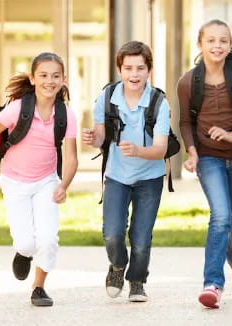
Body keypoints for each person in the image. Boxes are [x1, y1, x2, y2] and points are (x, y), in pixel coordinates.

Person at [0, 52, 78, 307]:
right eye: (43, 75)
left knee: (48, 239)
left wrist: (63, 185)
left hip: (47, 181)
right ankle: (24, 252)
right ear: (32, 78)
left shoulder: (66, 114)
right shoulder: (18, 108)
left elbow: (71, 158)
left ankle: (39, 287)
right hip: (15, 182)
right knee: (26, 241)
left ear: (63, 80)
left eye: (55, 76)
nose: (49, 81)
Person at [177, 19, 232, 308]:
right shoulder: (188, 81)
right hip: (209, 157)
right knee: (221, 217)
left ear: (230, 45)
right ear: (200, 44)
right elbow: (185, 122)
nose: (217, 45)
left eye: (223, 41)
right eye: (211, 40)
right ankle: (213, 283)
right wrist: (192, 152)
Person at [82, 41, 169, 302]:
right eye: (128, 68)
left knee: (141, 239)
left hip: (149, 179)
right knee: (112, 233)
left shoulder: (159, 103)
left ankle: (137, 281)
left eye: (140, 68)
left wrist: (138, 151)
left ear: (149, 70)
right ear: (120, 69)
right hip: (117, 176)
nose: (134, 74)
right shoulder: (107, 98)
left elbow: (161, 149)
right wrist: (93, 139)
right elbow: (100, 137)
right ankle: (118, 267)